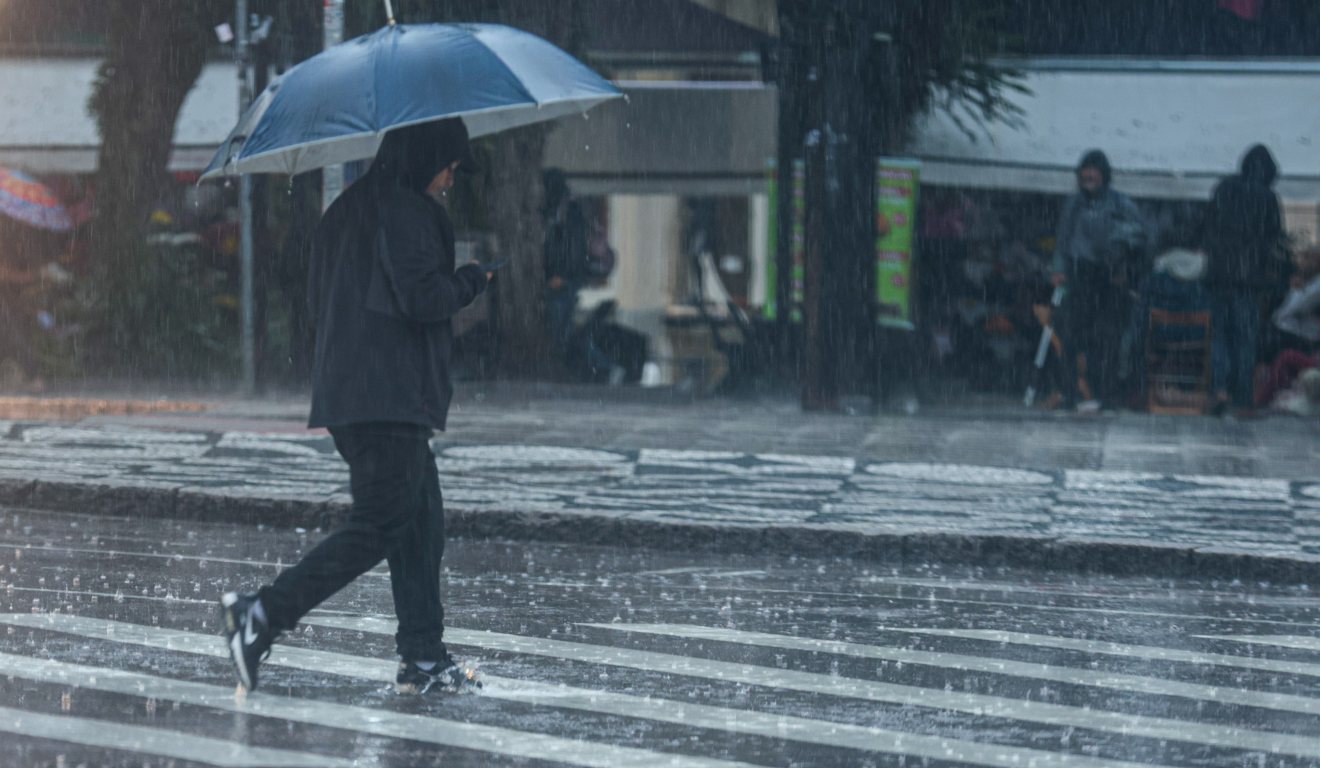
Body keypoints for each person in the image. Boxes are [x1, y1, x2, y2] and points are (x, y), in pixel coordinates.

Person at [220, 118, 489, 695]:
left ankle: (422, 656)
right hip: (388, 397)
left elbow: (320, 300)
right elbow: (424, 298)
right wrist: (471, 280)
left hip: (355, 393)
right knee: (378, 526)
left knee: (421, 524)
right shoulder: (408, 212)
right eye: (449, 164)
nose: (449, 178)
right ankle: (261, 615)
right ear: (425, 156)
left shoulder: (344, 211)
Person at [1051, 149, 1148, 411]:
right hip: (1080, 274)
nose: (1088, 176)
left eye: (1094, 171)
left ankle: (1107, 396)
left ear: (1103, 175)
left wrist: (1120, 251)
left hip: (1110, 277)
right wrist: (1059, 268)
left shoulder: (1120, 203)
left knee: (1109, 339)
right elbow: (1063, 240)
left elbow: (1139, 234)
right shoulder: (1074, 205)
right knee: (1070, 337)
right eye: (1085, 171)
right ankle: (1069, 393)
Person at [1203, 143, 1284, 415]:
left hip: (1219, 276)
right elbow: (1275, 240)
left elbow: (1208, 227)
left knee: (1220, 337)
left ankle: (1219, 390)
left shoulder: (1224, 188)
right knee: (1245, 339)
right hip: (1249, 281)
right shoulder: (1268, 198)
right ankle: (1243, 398)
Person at [1256, 245, 1320, 409]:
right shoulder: (1307, 282)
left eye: (1307, 259)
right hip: (1291, 331)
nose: (1301, 263)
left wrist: (1294, 290)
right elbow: (1283, 314)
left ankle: (1261, 396)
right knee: (1262, 334)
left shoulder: (1316, 285)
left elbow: (1295, 308)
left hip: (1307, 338)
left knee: (1265, 338)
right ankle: (1259, 387)